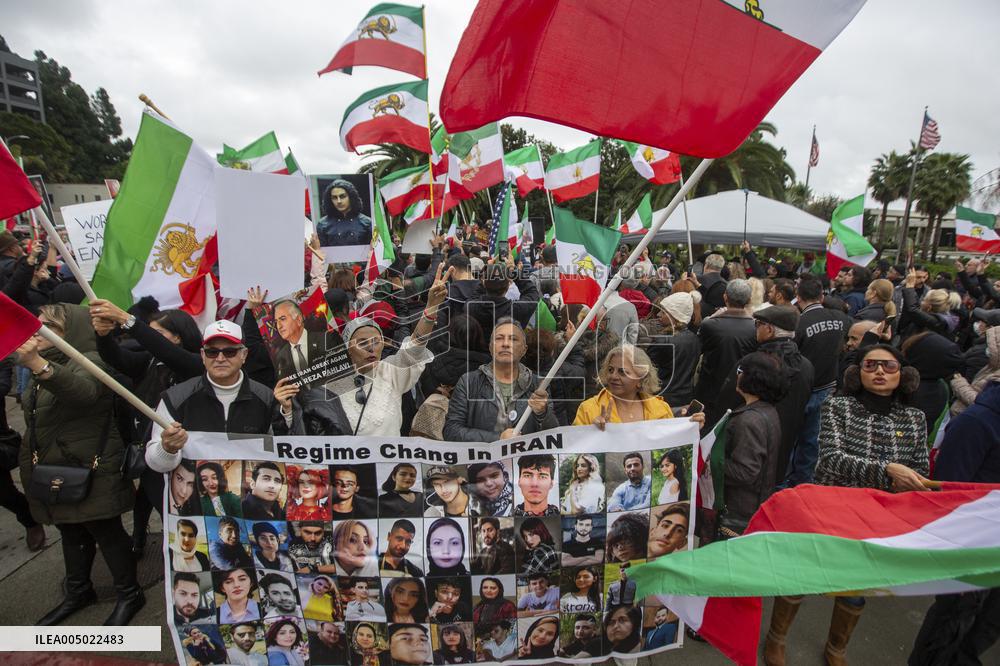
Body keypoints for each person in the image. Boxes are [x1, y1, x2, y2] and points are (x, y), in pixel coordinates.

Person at [766, 344, 929, 666]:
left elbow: (920, 470)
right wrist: (886, 471)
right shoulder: (837, 407)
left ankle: (837, 647)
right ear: (858, 373)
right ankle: (777, 637)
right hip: (830, 510)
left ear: (904, 375)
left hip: (878, 520)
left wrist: (910, 480)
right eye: (871, 365)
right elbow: (830, 460)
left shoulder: (915, 418)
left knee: (856, 587)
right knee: (801, 575)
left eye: (888, 366)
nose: (880, 372)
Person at [15, 304, 142, 626]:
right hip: (54, 468)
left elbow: (83, 393)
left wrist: (38, 366)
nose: (38, 331)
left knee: (106, 531)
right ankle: (78, 591)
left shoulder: (90, 360)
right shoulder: (47, 364)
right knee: (70, 531)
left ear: (71, 332)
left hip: (91, 468)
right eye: (38, 324)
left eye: (49, 327)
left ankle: (129, 593)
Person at [279, 267, 447, 438]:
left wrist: (431, 307)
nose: (370, 347)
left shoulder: (391, 371)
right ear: (348, 349)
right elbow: (309, 433)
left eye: (376, 341)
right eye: (362, 343)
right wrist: (288, 409)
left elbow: (416, 346)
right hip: (346, 464)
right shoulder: (329, 382)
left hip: (388, 463)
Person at [145, 319, 276, 474]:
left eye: (229, 352)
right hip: (190, 495)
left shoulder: (266, 397)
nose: (220, 359)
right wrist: (167, 448)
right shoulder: (175, 398)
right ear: (202, 355)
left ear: (244, 354)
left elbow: (275, 455)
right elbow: (156, 464)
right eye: (212, 352)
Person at [443, 317, 558, 442]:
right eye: (499, 338)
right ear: (491, 347)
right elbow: (451, 431)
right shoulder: (469, 382)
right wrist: (497, 439)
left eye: (513, 339)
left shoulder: (538, 385)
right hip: (484, 460)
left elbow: (553, 435)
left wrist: (543, 413)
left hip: (525, 460)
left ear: (524, 350)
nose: (505, 344)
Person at [790, 275, 852, 486]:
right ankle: (803, 483)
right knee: (811, 441)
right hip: (827, 387)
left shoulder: (798, 322)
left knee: (791, 440)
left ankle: (785, 484)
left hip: (800, 389)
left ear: (798, 298)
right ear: (822, 296)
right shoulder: (841, 319)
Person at [719, 351, 788, 537]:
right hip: (754, 505)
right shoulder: (767, 411)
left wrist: (711, 461)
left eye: (740, 371)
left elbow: (745, 472)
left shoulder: (749, 420)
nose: (737, 375)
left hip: (738, 512)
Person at [694, 279, 756, 407]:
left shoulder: (710, 324)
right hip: (741, 392)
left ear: (725, 297)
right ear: (749, 300)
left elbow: (697, 349)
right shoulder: (755, 327)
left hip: (710, 391)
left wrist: (711, 318)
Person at [643, 291, 701, 409]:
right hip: (685, 398)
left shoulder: (662, 341)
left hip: (662, 399)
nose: (659, 315)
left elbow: (646, 372)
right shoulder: (695, 339)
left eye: (664, 312)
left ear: (674, 316)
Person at [271, 299, 341, 380]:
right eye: (276, 322)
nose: (279, 326)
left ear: (298, 319)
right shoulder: (280, 357)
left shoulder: (326, 339)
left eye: (282, 319)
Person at [316, 178, 373, 247]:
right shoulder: (322, 225)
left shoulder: (367, 223)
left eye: (342, 196)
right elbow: (320, 253)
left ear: (351, 197)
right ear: (330, 200)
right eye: (334, 197)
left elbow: (372, 252)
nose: (339, 201)